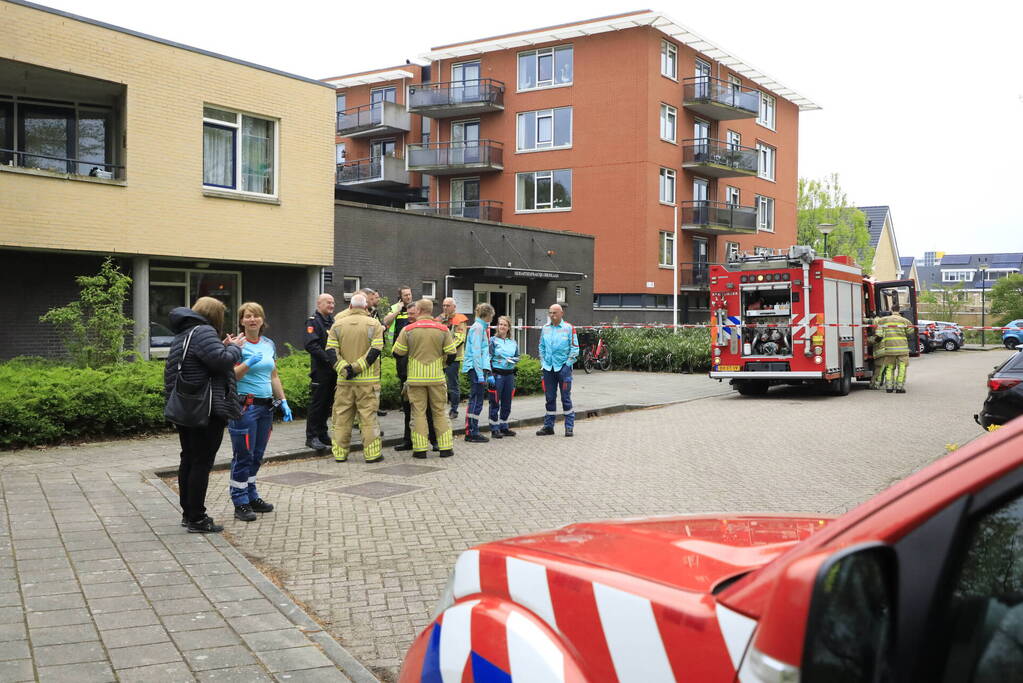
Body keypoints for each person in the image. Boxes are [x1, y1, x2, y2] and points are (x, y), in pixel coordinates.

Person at [165, 297, 244, 533]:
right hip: (206, 410)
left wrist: (223, 345)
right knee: (201, 462)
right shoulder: (204, 331)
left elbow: (202, 361)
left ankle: (188, 513)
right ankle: (197, 518)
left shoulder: (185, 333)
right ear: (215, 315)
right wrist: (234, 348)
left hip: (186, 407)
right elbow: (221, 362)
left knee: (188, 458)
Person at [229, 302, 293, 522]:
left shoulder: (268, 344)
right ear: (241, 321)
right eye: (248, 316)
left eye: (256, 315)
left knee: (257, 456)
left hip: (266, 407)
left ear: (263, 320)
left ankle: (251, 494)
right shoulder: (237, 345)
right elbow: (231, 376)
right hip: (245, 407)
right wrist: (247, 363)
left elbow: (273, 375)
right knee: (243, 455)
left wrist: (282, 400)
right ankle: (240, 502)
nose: (252, 319)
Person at [392, 298, 457, 458]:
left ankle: (420, 450)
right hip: (436, 377)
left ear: (419, 310)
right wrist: (442, 365)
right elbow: (452, 353)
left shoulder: (408, 329)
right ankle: (445, 448)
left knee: (418, 413)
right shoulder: (442, 329)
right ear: (431, 311)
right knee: (440, 412)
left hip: (415, 379)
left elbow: (397, 352)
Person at [327, 293, 385, 463]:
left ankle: (339, 454)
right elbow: (375, 351)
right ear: (365, 307)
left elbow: (330, 350)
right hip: (367, 382)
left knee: (342, 418)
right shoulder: (374, 324)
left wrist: (344, 368)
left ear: (350, 307)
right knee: (368, 418)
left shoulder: (337, 324)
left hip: (344, 381)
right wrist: (356, 367)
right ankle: (372, 455)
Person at [395, 302, 436, 452]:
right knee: (408, 411)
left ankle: (434, 440)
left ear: (418, 312)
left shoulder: (422, 329)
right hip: (405, 375)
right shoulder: (403, 328)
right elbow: (396, 351)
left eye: (413, 313)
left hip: (422, 375)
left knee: (428, 411)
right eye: (409, 314)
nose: (411, 316)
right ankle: (408, 441)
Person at [537, 303, 579, 437]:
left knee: (566, 398)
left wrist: (567, 365)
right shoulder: (545, 328)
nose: (552, 315)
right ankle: (549, 426)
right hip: (548, 369)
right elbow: (541, 347)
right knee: (549, 398)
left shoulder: (569, 328)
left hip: (563, 368)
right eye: (550, 313)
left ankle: (569, 427)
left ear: (561, 313)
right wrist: (543, 362)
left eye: (555, 313)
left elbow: (575, 349)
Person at [304, 293, 336, 451]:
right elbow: (311, 345)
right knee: (317, 403)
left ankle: (323, 434)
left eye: (333, 303)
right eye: (328, 303)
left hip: (333, 371)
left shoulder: (333, 321)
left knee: (327, 403)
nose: (331, 305)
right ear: (319, 304)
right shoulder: (313, 321)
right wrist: (329, 360)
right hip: (320, 371)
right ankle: (312, 437)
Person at [462, 302, 494, 443]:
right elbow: (476, 352)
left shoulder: (480, 327)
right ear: (487, 315)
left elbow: (483, 352)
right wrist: (480, 373)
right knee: (476, 400)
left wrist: (488, 372)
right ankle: (471, 432)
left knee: (478, 400)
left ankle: (473, 430)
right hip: (476, 369)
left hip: (478, 369)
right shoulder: (478, 328)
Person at [436, 297, 468, 419]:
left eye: (448, 305)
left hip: (453, 358)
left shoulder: (460, 320)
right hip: (439, 357)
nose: (445, 308)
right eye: (443, 305)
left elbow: (460, 338)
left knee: (453, 384)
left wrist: (446, 349)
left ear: (454, 307)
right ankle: (439, 408)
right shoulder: (439, 318)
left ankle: (454, 410)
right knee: (438, 384)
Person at [488, 315, 520, 439]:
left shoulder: (513, 342)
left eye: (504, 325)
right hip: (497, 374)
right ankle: (494, 428)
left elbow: (517, 356)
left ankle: (504, 426)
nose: (502, 327)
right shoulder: (493, 340)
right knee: (495, 402)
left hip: (509, 375)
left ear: (508, 328)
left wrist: (514, 359)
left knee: (507, 402)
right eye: (500, 324)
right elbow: (488, 358)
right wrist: (489, 375)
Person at [875, 304, 914, 393]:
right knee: (902, 368)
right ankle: (899, 387)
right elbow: (911, 331)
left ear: (891, 310)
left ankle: (889, 387)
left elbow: (879, 332)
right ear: (899, 310)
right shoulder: (905, 321)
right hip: (902, 349)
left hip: (890, 349)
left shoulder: (884, 320)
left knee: (889, 368)